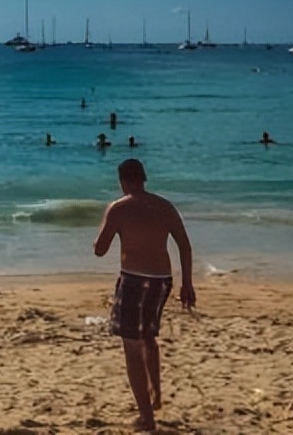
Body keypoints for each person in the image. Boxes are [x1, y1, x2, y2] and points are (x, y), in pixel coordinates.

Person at [94, 159, 195, 433]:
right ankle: (156, 394)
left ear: (121, 180)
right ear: (144, 178)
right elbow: (184, 246)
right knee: (148, 337)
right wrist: (188, 283)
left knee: (131, 346)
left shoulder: (119, 207)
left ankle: (146, 417)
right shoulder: (164, 206)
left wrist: (106, 227)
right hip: (163, 280)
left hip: (134, 280)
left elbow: (100, 249)